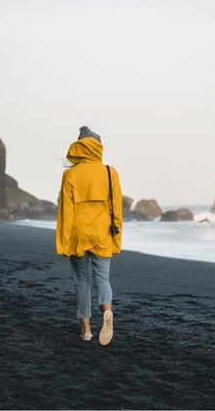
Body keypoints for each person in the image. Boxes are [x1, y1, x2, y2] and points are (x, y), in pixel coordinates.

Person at [56, 126, 123, 345]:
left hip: (78, 234)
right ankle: (107, 310)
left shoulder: (71, 174)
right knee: (102, 279)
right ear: (98, 146)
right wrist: (116, 240)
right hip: (102, 233)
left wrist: (63, 244)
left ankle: (86, 330)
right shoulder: (109, 172)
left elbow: (66, 212)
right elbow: (117, 210)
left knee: (82, 281)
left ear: (79, 146)